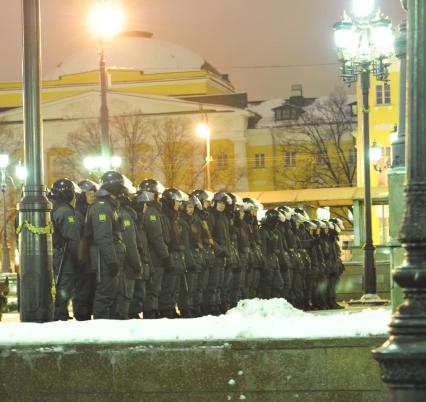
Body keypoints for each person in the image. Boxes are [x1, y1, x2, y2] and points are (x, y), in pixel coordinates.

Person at [87, 171, 126, 319]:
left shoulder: (110, 205)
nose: (122, 188)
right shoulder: (102, 206)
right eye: (119, 185)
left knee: (113, 293)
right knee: (105, 293)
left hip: (111, 256)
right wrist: (111, 261)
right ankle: (101, 329)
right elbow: (103, 237)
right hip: (105, 259)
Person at [49, 178, 81, 321]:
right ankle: (60, 318)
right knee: (63, 289)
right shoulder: (65, 210)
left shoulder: (50, 207)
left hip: (51, 255)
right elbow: (73, 238)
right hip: (63, 256)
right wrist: (79, 261)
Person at [138, 179, 168, 319]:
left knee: (155, 287)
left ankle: (153, 310)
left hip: (153, 255)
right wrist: (165, 255)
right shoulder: (151, 211)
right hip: (154, 256)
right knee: (153, 288)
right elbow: (156, 236)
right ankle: (150, 312)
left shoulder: (152, 210)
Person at [114, 177, 143, 319]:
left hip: (118, 261)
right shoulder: (125, 215)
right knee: (125, 296)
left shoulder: (117, 211)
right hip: (126, 264)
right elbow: (130, 242)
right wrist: (136, 263)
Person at [159, 188, 188, 318]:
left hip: (177, 254)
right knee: (168, 286)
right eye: (177, 201)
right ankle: (166, 310)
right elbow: (165, 237)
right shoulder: (164, 216)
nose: (179, 204)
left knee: (175, 286)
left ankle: (171, 308)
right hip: (170, 253)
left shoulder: (175, 216)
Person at [72, 179, 98, 320]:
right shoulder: (78, 213)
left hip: (89, 258)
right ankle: (82, 316)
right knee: (83, 290)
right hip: (82, 258)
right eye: (89, 193)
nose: (93, 195)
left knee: (90, 289)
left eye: (94, 193)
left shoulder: (90, 210)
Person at [129, 190, 155, 319]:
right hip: (137, 263)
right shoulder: (135, 222)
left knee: (140, 292)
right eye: (144, 204)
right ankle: (133, 315)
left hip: (142, 262)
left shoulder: (140, 222)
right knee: (136, 292)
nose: (146, 207)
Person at [206, 192, 232, 315]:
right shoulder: (211, 216)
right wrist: (218, 249)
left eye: (224, 204)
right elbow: (208, 235)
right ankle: (212, 305)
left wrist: (227, 251)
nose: (222, 206)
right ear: (215, 203)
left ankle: (219, 303)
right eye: (220, 203)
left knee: (221, 281)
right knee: (214, 282)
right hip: (216, 254)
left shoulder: (223, 217)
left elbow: (227, 237)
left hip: (224, 254)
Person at [191, 189, 215, 316]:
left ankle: (200, 306)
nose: (207, 204)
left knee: (203, 285)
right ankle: (196, 307)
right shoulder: (196, 218)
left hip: (205, 253)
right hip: (199, 253)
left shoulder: (204, 217)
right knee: (197, 285)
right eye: (205, 201)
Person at [180, 194, 205, 317]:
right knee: (187, 287)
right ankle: (186, 308)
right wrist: (189, 261)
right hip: (188, 256)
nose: (191, 209)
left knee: (195, 285)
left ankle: (194, 307)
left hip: (197, 254)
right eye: (188, 207)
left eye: (192, 207)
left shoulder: (195, 220)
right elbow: (184, 243)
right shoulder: (182, 220)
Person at [258, 209, 284, 299]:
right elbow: (263, 249)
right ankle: (267, 303)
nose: (277, 223)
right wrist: (264, 264)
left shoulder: (276, 232)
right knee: (267, 284)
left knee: (278, 283)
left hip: (274, 261)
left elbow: (280, 248)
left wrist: (282, 261)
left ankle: (274, 302)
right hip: (268, 261)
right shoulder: (263, 232)